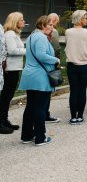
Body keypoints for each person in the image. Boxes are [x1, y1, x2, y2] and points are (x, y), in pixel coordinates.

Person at [19, 15, 60, 145]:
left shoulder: (31, 36)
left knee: (30, 106)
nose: (52, 28)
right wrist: (56, 60)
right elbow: (41, 55)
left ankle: (26, 135)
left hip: (30, 75)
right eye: (50, 25)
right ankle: (40, 137)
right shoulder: (41, 37)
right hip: (40, 76)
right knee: (40, 108)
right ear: (43, 25)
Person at [65, 10, 87, 125]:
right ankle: (80, 116)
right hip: (85, 64)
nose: (86, 20)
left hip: (72, 64)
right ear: (80, 19)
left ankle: (73, 116)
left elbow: (67, 45)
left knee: (73, 91)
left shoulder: (68, 32)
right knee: (82, 91)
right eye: (85, 18)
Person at [0, 12, 26, 133]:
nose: (24, 21)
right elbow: (12, 50)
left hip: (14, 68)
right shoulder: (10, 34)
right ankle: (2, 121)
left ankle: (4, 120)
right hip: (10, 69)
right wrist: (28, 50)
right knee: (6, 96)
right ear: (15, 21)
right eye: (21, 19)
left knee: (8, 96)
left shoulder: (15, 34)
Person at [45, 13, 61, 124]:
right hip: (51, 62)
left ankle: (45, 112)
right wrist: (57, 61)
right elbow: (56, 48)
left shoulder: (38, 32)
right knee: (48, 89)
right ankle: (45, 113)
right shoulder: (53, 32)